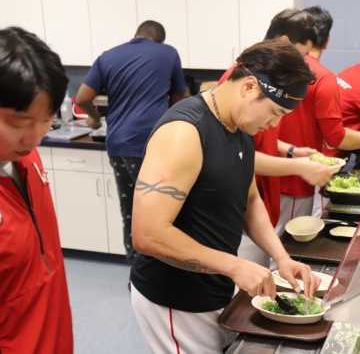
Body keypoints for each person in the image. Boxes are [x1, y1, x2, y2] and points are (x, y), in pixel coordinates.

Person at [130, 39, 322, 354]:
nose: (274, 124)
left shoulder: (240, 129)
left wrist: (283, 259)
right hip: (175, 299)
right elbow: (147, 234)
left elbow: (250, 201)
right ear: (248, 87)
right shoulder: (185, 132)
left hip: (214, 287)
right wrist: (234, 266)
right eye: (274, 112)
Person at [218, 8, 333, 267]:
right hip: (241, 213)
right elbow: (236, 156)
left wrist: (292, 151)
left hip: (258, 205)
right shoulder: (243, 80)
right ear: (284, 43)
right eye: (302, 55)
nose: (305, 62)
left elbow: (254, 141)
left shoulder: (265, 88)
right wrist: (300, 167)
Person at [76, 20, 187, 266]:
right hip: (151, 145)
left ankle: (136, 273)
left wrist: (94, 118)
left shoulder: (108, 56)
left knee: (130, 211)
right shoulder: (168, 53)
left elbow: (83, 97)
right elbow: (182, 99)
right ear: (160, 40)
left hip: (117, 144)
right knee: (159, 213)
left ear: (135, 34)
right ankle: (155, 273)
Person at [276, 6, 360, 227]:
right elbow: (335, 137)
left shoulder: (273, 66)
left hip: (273, 169)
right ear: (326, 41)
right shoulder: (320, 76)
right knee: (285, 245)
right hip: (295, 179)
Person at [0, 27, 73, 353]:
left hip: (52, 331)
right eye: (19, 122)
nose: (34, 138)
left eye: (46, 120)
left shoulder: (25, 158)